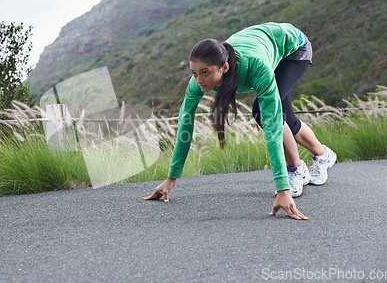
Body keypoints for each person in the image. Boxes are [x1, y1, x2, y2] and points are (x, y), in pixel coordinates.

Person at [143, 22, 337, 220]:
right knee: (287, 117)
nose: (199, 80)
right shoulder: (198, 83)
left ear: (224, 67)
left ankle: (296, 168)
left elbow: (272, 128)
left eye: (205, 72)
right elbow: (185, 125)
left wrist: (282, 189)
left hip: (294, 49)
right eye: (194, 73)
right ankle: (323, 155)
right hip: (265, 45)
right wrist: (171, 179)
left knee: (264, 113)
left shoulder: (256, 67)